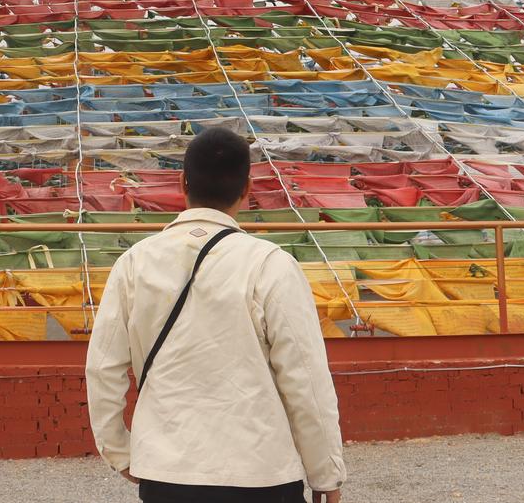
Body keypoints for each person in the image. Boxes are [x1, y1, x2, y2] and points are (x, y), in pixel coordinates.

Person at [86, 126, 345, 502]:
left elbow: (103, 369)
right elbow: (306, 380)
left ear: (182, 182)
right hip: (261, 471)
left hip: (166, 470)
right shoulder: (272, 265)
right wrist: (326, 473)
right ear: (247, 189)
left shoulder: (133, 263)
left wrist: (119, 451)